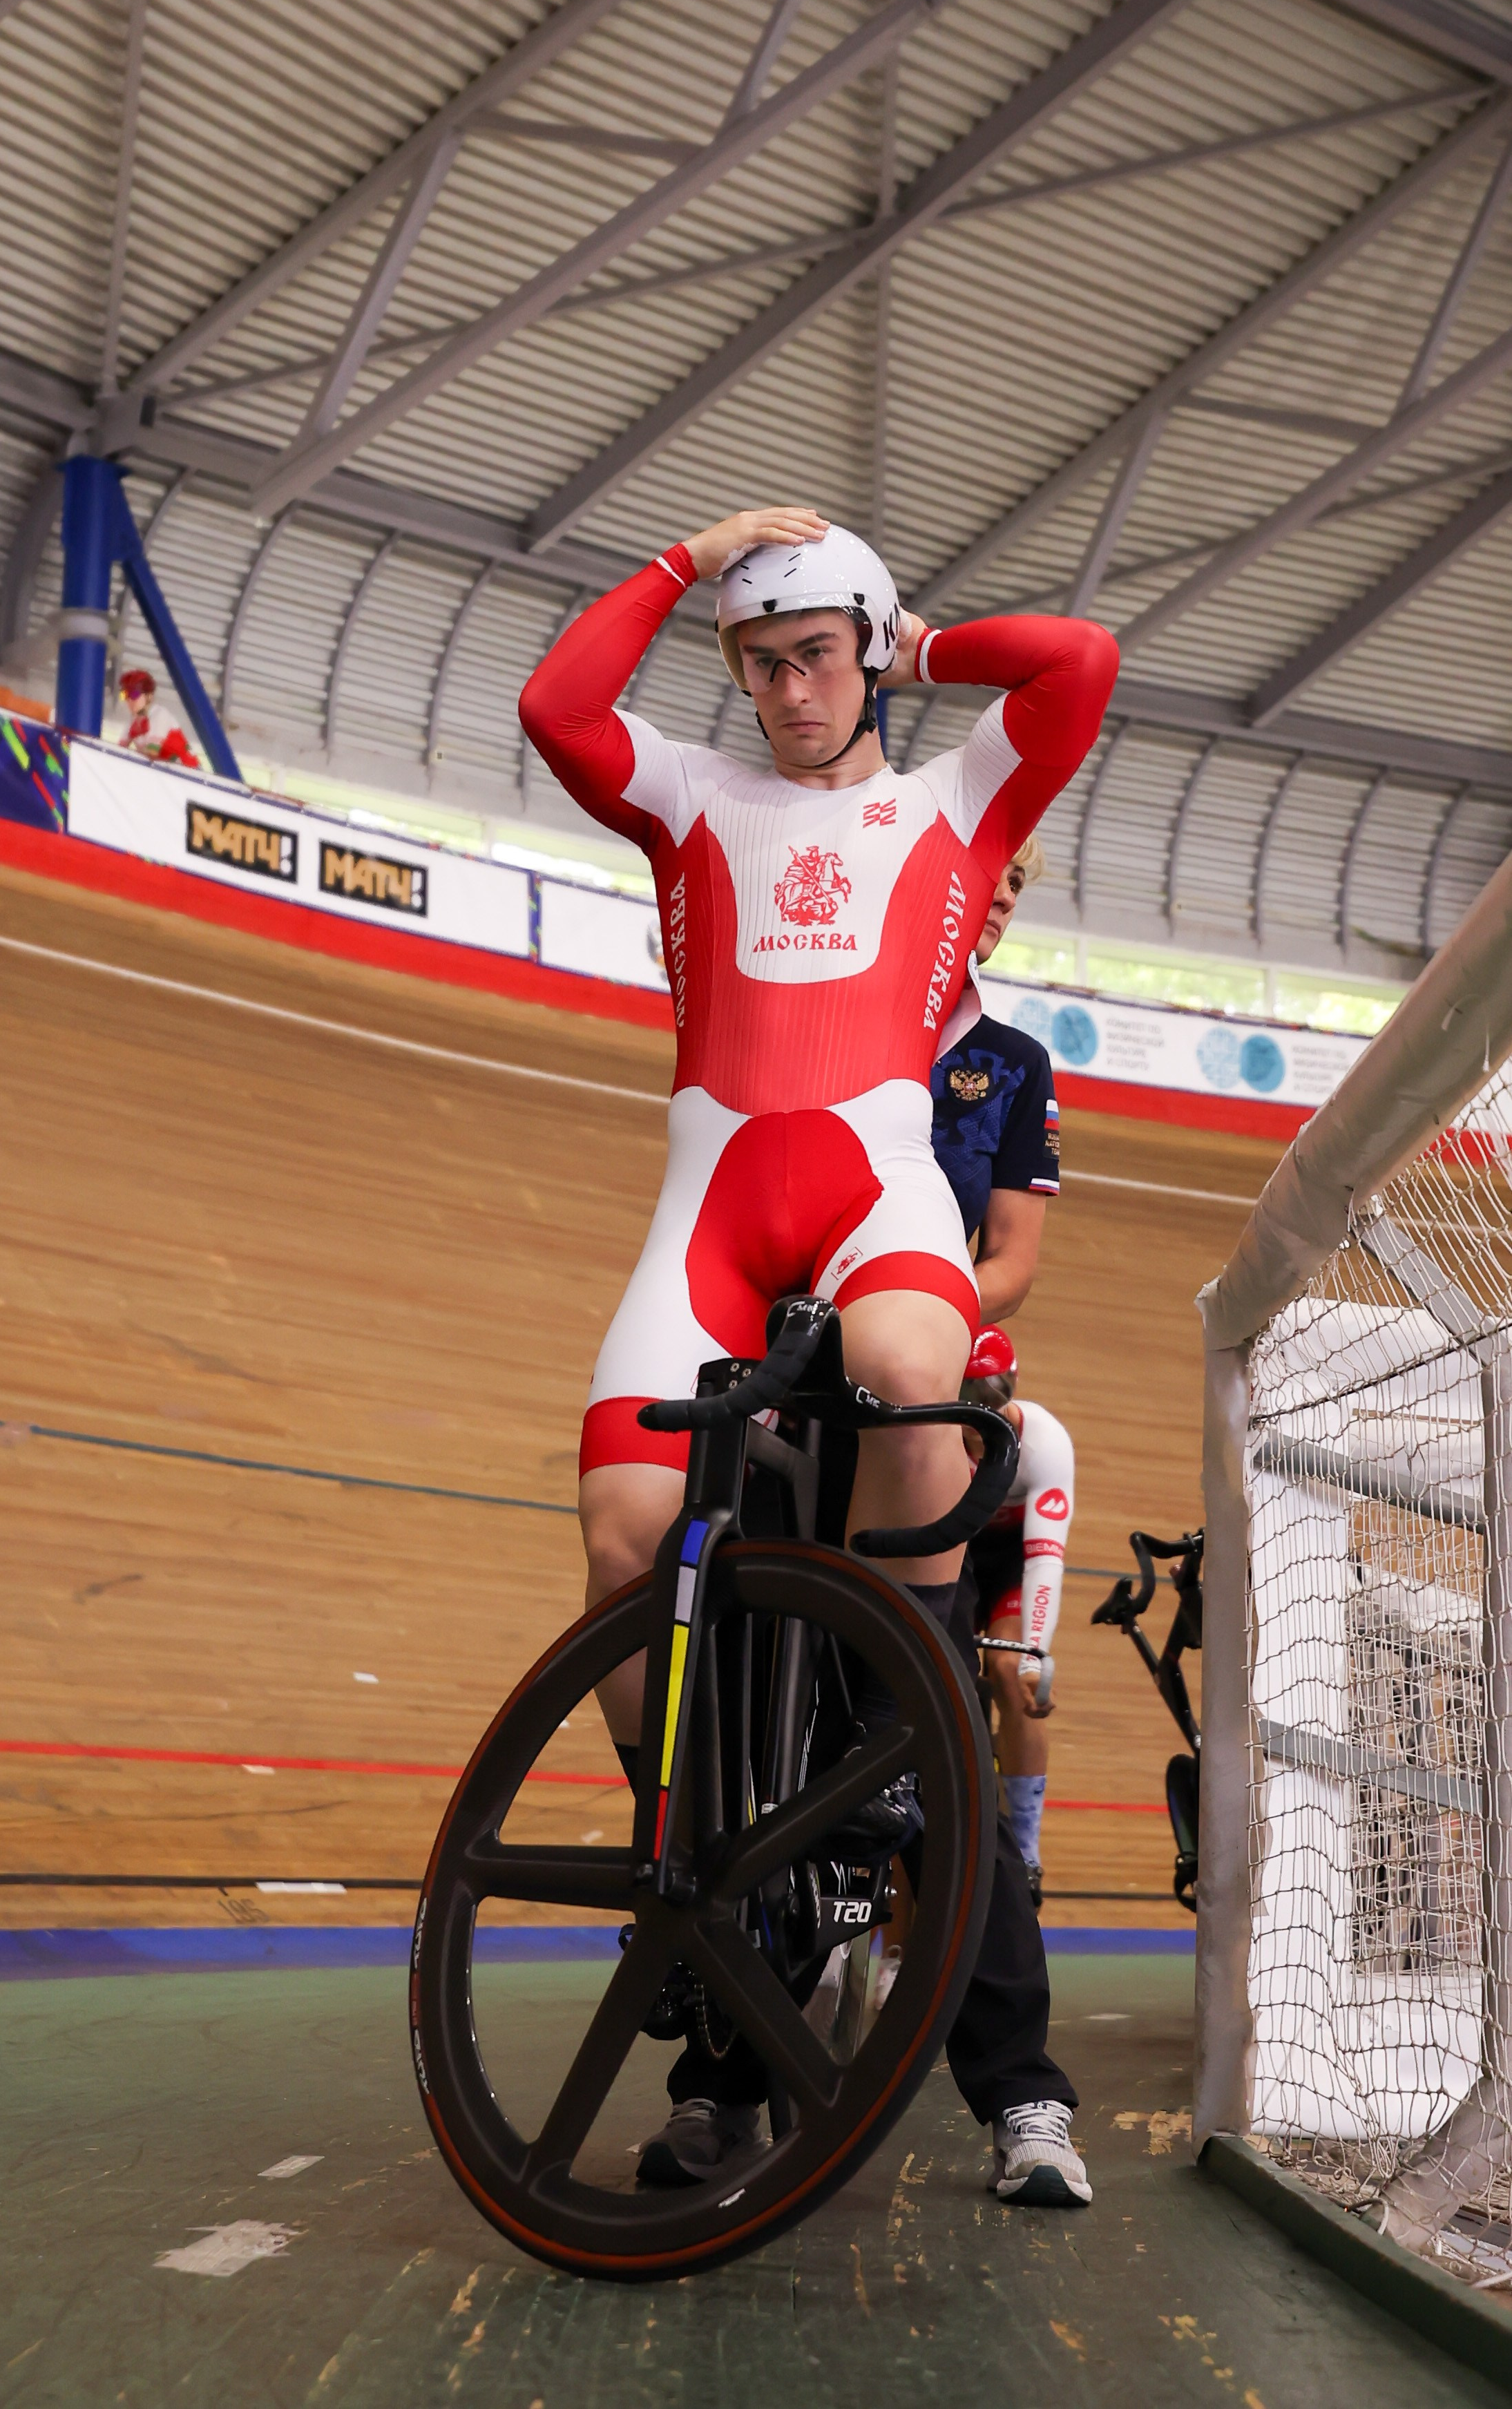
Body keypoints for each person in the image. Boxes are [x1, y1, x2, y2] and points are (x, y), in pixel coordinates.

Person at [519, 505, 1116, 2208]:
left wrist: (922, 645)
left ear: (862, 650)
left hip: (874, 1196)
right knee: (621, 1534)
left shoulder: (948, 801)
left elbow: (1079, 662)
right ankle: (699, 1873)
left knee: (914, 1376)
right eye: (757, 661)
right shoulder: (692, 797)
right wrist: (682, 557)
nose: (785, 689)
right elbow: (558, 709)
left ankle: (882, 1771)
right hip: (708, 1214)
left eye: (813, 654)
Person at [960, 1326, 1074, 1905]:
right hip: (955, 1554)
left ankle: (1026, 1848)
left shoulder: (1045, 1442)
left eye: (994, 1396)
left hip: (1008, 1564)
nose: (983, 1412)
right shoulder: (936, 1435)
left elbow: (1045, 1560)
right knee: (951, 1674)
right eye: (971, 1398)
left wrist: (1033, 1656)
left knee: (1011, 1674)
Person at [930, 839, 1059, 1324]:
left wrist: (913, 1305)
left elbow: (1011, 1267)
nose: (1007, 898)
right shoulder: (831, 1018)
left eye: (1016, 883)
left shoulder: (1018, 1066)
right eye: (991, 873)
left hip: (908, 1336)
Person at [118, 667, 200, 768]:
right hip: (169, 772)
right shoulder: (134, 721)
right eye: (125, 695)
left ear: (149, 696)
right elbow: (119, 750)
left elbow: (150, 756)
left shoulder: (160, 715)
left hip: (189, 773)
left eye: (134, 694)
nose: (129, 700)